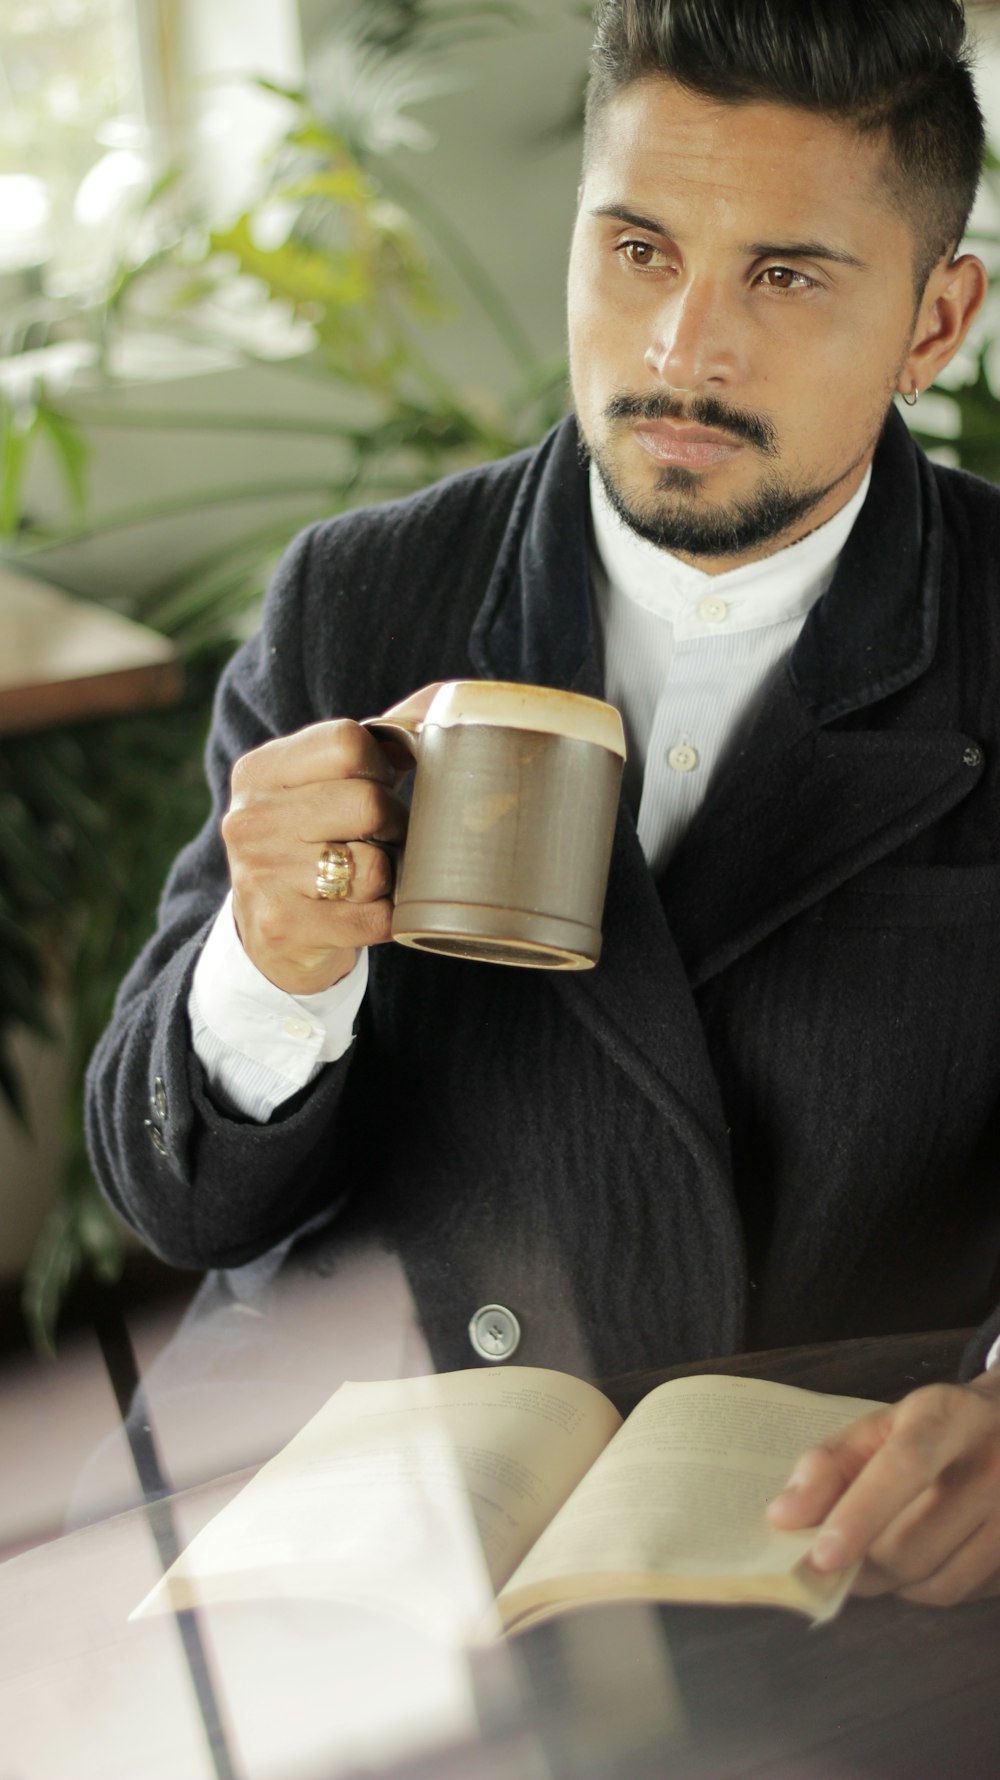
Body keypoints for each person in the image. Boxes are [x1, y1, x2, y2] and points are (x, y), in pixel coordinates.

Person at [86, 0, 1000, 1603]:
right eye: (638, 251)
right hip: (342, 1510)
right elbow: (172, 1194)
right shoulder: (356, 596)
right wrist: (272, 963)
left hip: (823, 1534)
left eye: (782, 276)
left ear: (937, 325)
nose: (678, 350)